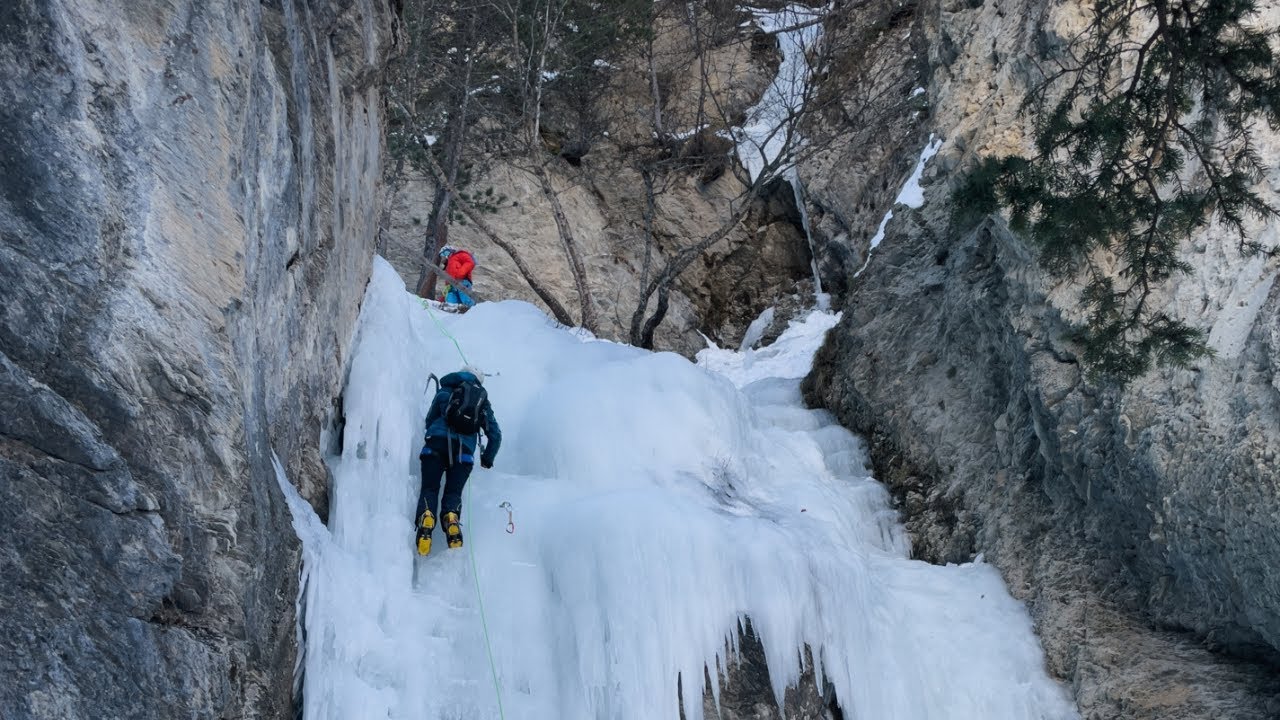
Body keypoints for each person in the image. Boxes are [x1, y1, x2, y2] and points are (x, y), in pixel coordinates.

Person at [415, 365, 501, 554]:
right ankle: (451, 518)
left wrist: (434, 433)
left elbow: (430, 420)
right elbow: (495, 435)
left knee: (430, 488)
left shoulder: (445, 390)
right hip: (464, 454)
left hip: (435, 446)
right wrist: (487, 459)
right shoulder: (482, 402)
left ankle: (427, 516)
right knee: (453, 493)